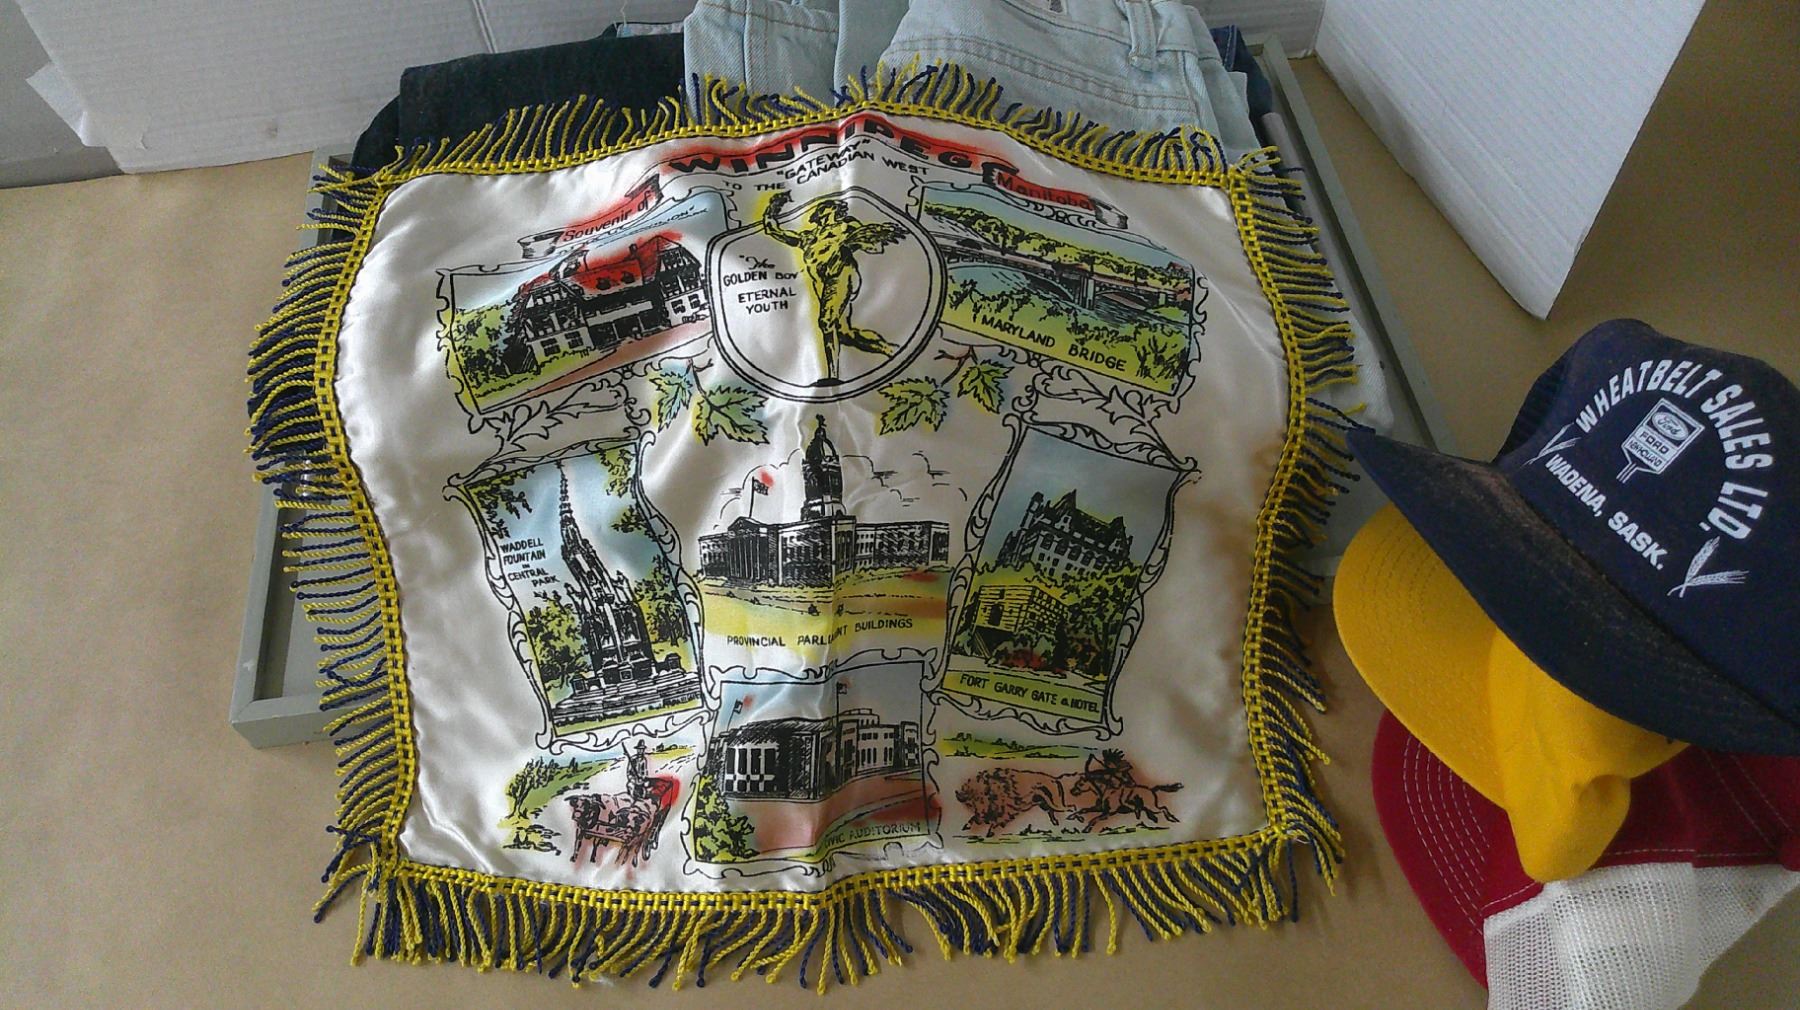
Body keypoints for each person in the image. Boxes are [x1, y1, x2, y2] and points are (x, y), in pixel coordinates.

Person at [762, 191, 905, 380]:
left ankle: (833, 376)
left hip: (842, 275)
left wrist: (856, 241)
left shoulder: (846, 226)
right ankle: (889, 350)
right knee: (845, 334)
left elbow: (874, 248)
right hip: (821, 285)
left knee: (826, 322)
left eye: (824, 208)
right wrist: (772, 210)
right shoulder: (808, 238)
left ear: (833, 210)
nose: (819, 211)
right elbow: (774, 231)